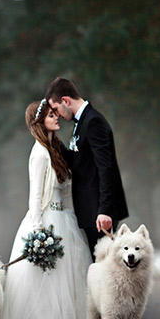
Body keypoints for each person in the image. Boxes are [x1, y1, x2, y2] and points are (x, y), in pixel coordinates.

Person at [0, 99, 95, 319]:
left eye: (55, 113)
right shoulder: (39, 153)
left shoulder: (55, 149)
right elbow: (35, 196)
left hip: (65, 220)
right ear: (38, 122)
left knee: (70, 285)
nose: (57, 117)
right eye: (51, 115)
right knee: (47, 289)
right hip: (47, 223)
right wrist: (38, 234)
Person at [45, 77, 129, 256]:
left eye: (56, 109)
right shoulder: (81, 122)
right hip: (90, 210)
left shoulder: (93, 122)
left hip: (99, 212)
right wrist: (52, 142)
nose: (57, 114)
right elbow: (79, 161)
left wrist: (105, 210)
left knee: (104, 270)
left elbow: (107, 167)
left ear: (66, 101)